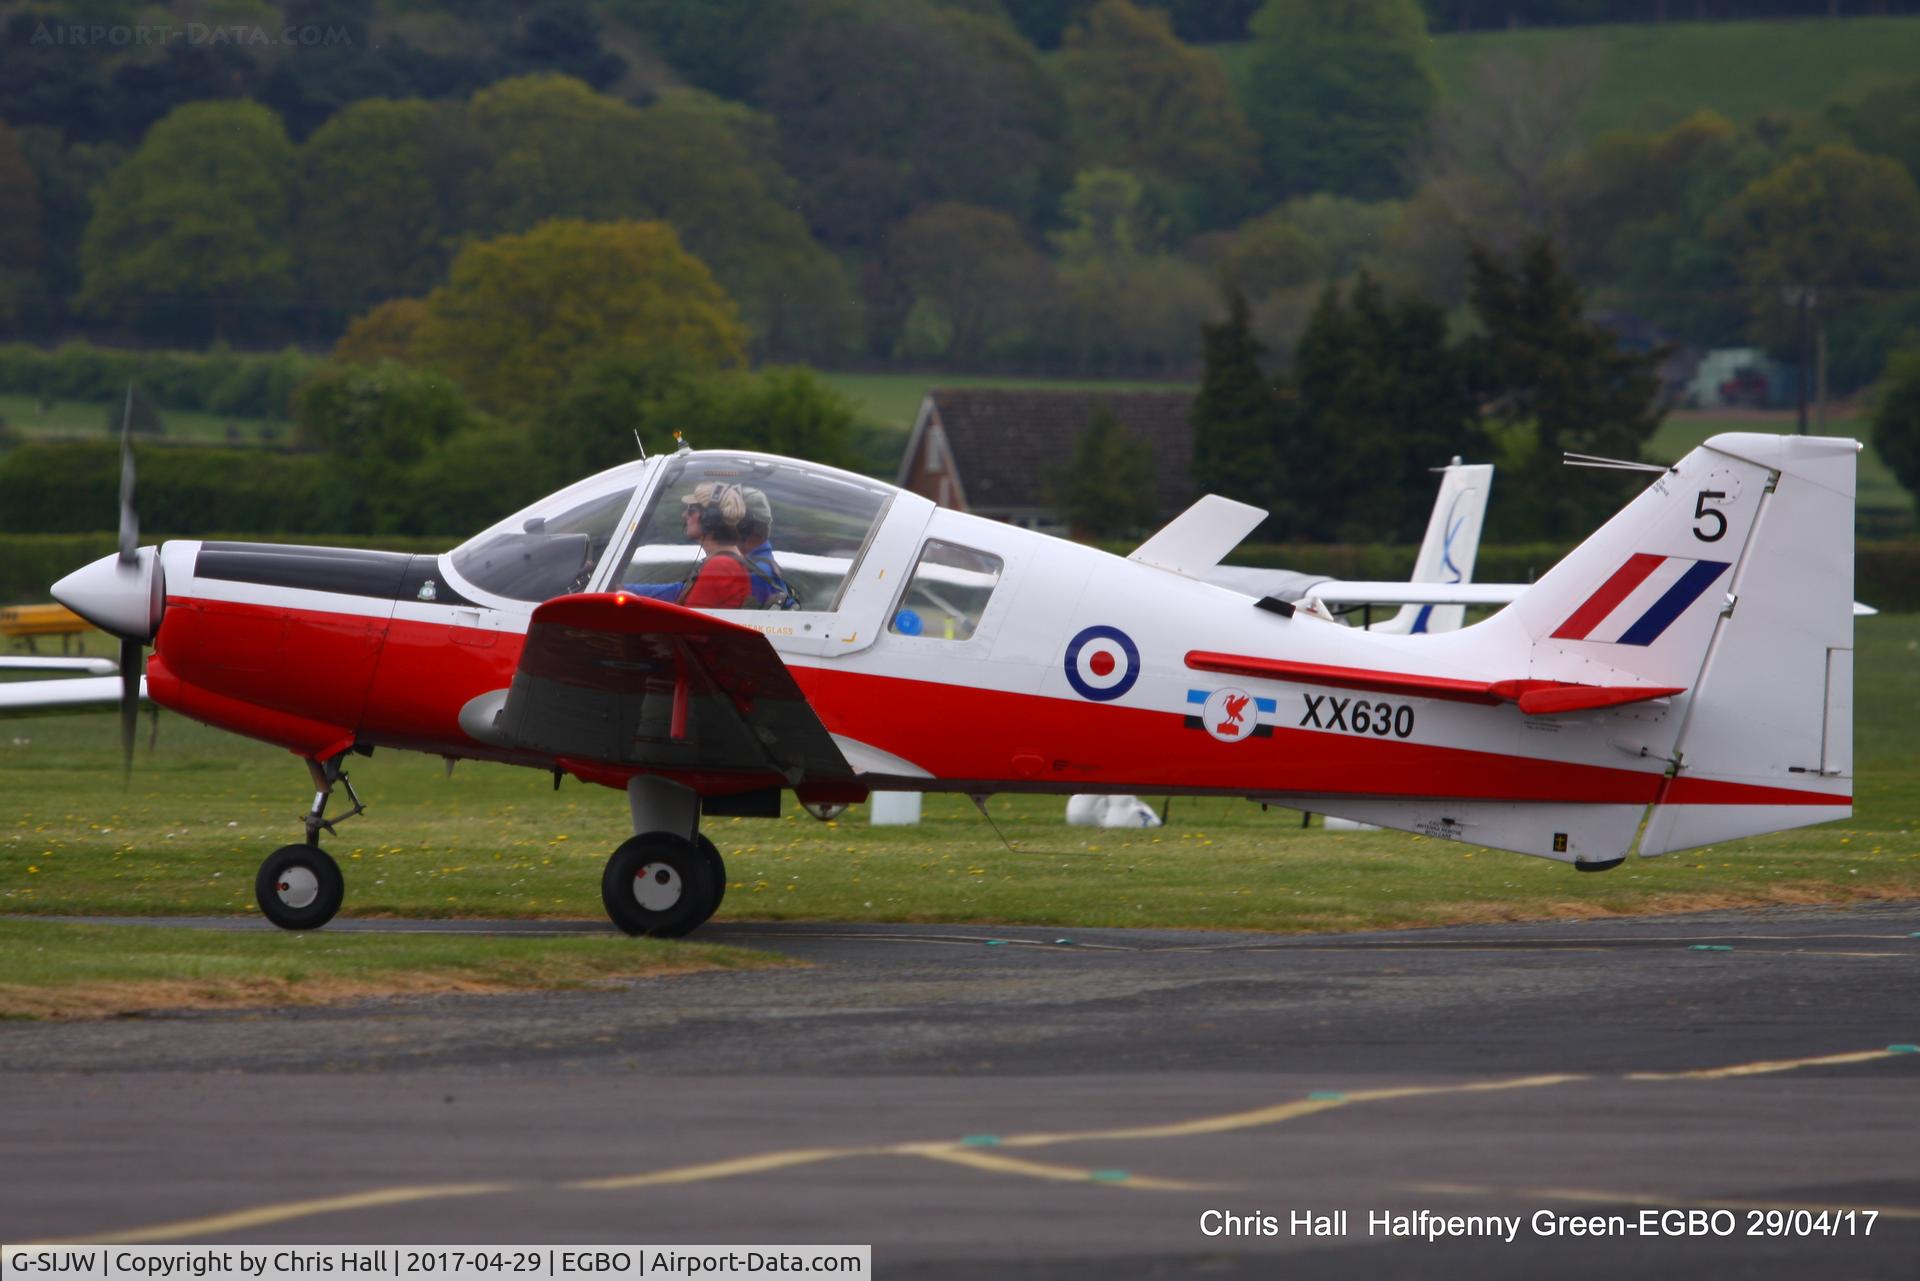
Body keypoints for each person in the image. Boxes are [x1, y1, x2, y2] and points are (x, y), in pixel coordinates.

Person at [675, 481, 754, 609]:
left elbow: (689, 624)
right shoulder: (728, 561)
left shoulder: (721, 565)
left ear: (710, 519)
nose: (684, 515)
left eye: (691, 511)